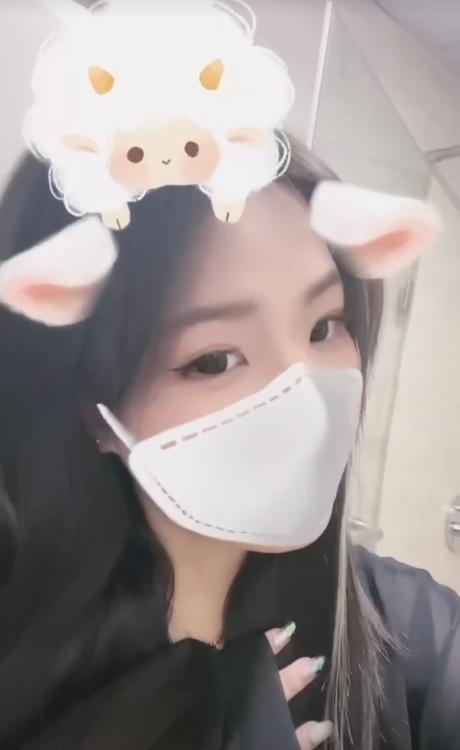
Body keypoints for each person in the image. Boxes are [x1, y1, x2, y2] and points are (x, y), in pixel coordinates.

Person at [0, 133, 459, 750]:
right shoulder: (26, 658)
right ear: (92, 409)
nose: (306, 398)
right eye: (214, 360)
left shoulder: (404, 624)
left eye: (325, 325)